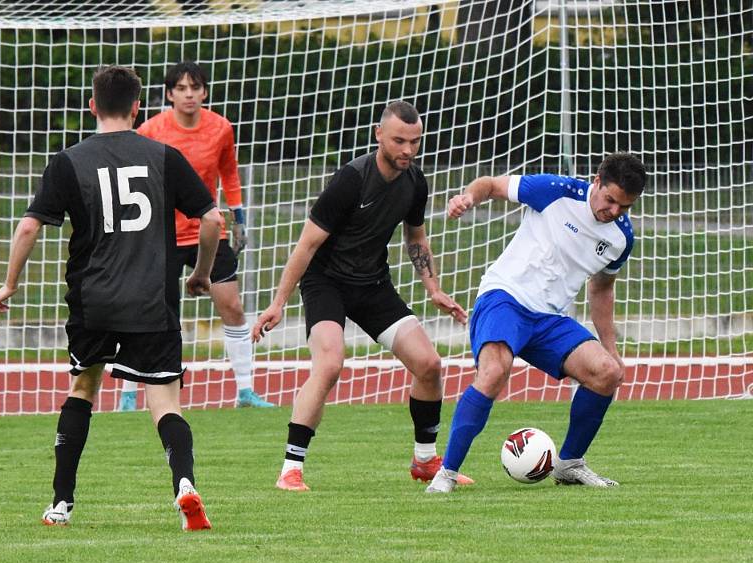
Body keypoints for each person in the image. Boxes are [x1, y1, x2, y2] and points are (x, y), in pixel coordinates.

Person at [0, 65, 221, 529]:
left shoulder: (69, 160)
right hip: (152, 300)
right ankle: (185, 485)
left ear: (93, 106)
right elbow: (213, 219)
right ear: (138, 108)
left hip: (92, 300)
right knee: (166, 402)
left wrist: (10, 283)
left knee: (82, 389)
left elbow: (30, 225)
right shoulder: (164, 155)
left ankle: (61, 504)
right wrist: (200, 274)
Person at [252, 100, 474, 491]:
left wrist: (434, 289)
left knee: (429, 364)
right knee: (331, 363)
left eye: (415, 142)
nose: (407, 150)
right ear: (379, 136)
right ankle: (291, 468)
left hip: (372, 284)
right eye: (399, 141)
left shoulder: (415, 182)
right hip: (326, 283)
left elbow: (416, 235)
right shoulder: (351, 179)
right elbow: (306, 246)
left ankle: (424, 460)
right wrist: (278, 303)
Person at [426, 152, 646, 493]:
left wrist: (612, 349)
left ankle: (570, 464)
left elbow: (601, 290)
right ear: (597, 182)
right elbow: (492, 185)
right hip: (505, 299)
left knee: (608, 373)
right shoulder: (555, 190)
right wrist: (468, 196)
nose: (614, 211)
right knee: (494, 371)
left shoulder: (621, 238)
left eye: (625, 207)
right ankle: (447, 473)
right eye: (610, 200)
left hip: (550, 319)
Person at [117, 60, 273, 411]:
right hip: (161, 234)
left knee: (232, 305)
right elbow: (132, 179)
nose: (189, 95)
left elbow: (229, 175)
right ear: (170, 94)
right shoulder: (151, 131)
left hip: (208, 231)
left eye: (195, 88)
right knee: (146, 311)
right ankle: (128, 394)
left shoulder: (221, 128)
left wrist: (239, 218)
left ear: (204, 92)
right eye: (182, 89)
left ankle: (245, 392)